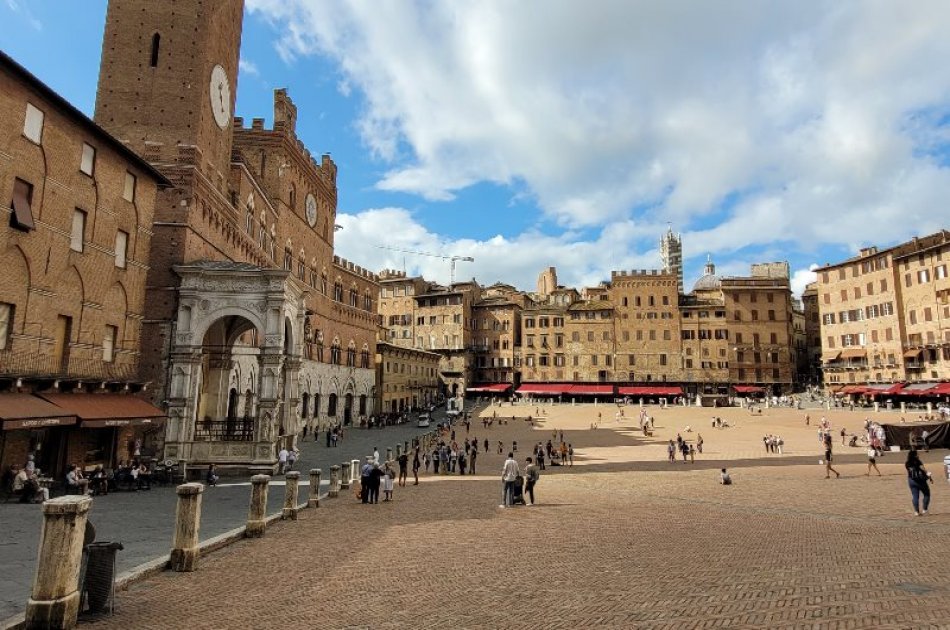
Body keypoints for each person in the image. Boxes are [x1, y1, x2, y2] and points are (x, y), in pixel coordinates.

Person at [905, 450, 932, 516]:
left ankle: (916, 511)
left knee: (915, 496)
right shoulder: (918, 461)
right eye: (917, 454)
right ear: (915, 455)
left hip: (911, 480)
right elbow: (923, 469)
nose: (918, 455)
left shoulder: (907, 463)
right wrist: (929, 476)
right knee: (926, 494)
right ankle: (924, 510)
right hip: (920, 480)